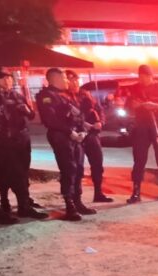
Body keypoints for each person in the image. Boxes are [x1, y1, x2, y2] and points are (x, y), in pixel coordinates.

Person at [36, 68, 93, 222]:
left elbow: (79, 115)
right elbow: (51, 120)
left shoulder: (68, 95)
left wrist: (82, 131)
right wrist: (70, 132)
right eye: (64, 78)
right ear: (55, 79)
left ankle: (78, 201)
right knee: (69, 169)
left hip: (76, 135)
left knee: (79, 169)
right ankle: (70, 206)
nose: (67, 81)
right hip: (61, 136)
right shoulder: (46, 96)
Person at [0, 67, 47, 223]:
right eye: (3, 77)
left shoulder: (17, 95)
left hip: (22, 140)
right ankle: (9, 204)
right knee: (6, 174)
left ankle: (23, 204)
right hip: (3, 142)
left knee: (22, 173)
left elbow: (31, 115)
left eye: (9, 77)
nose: (7, 80)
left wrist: (25, 110)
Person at [126, 64, 158, 203]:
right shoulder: (134, 89)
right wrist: (133, 105)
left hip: (157, 126)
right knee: (139, 160)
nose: (141, 80)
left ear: (150, 76)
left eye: (143, 77)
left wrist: (157, 106)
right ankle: (136, 193)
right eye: (139, 76)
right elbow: (127, 107)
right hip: (141, 127)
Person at [65, 69, 111, 204]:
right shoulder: (64, 97)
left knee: (97, 164)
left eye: (76, 80)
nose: (75, 83)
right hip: (76, 136)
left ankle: (98, 193)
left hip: (91, 134)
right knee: (77, 168)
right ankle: (76, 199)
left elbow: (99, 109)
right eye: (71, 80)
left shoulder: (85, 94)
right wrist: (82, 124)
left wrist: (100, 122)